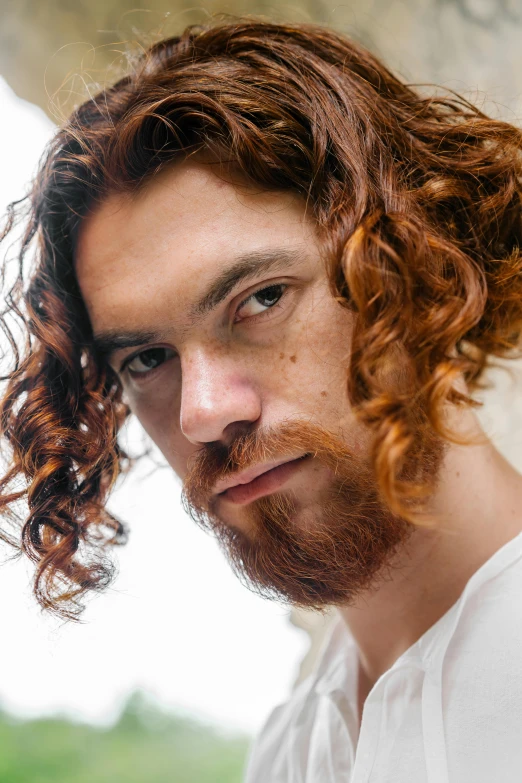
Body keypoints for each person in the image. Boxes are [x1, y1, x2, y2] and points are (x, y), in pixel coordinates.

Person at [1, 17, 522, 782]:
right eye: (147, 358)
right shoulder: (289, 754)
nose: (202, 411)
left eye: (261, 298)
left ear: (419, 263)